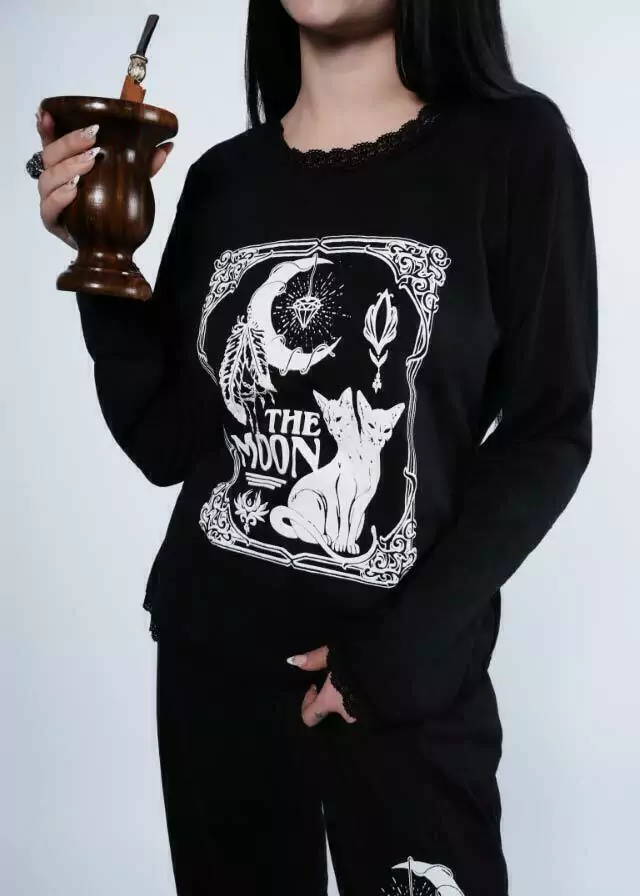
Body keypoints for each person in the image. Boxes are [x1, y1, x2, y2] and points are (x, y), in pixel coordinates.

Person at [29, 1, 598, 893]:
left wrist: (396, 660)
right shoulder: (225, 179)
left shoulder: (515, 149)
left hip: (407, 686)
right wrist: (103, 262)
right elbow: (169, 442)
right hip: (214, 674)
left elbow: (548, 431)